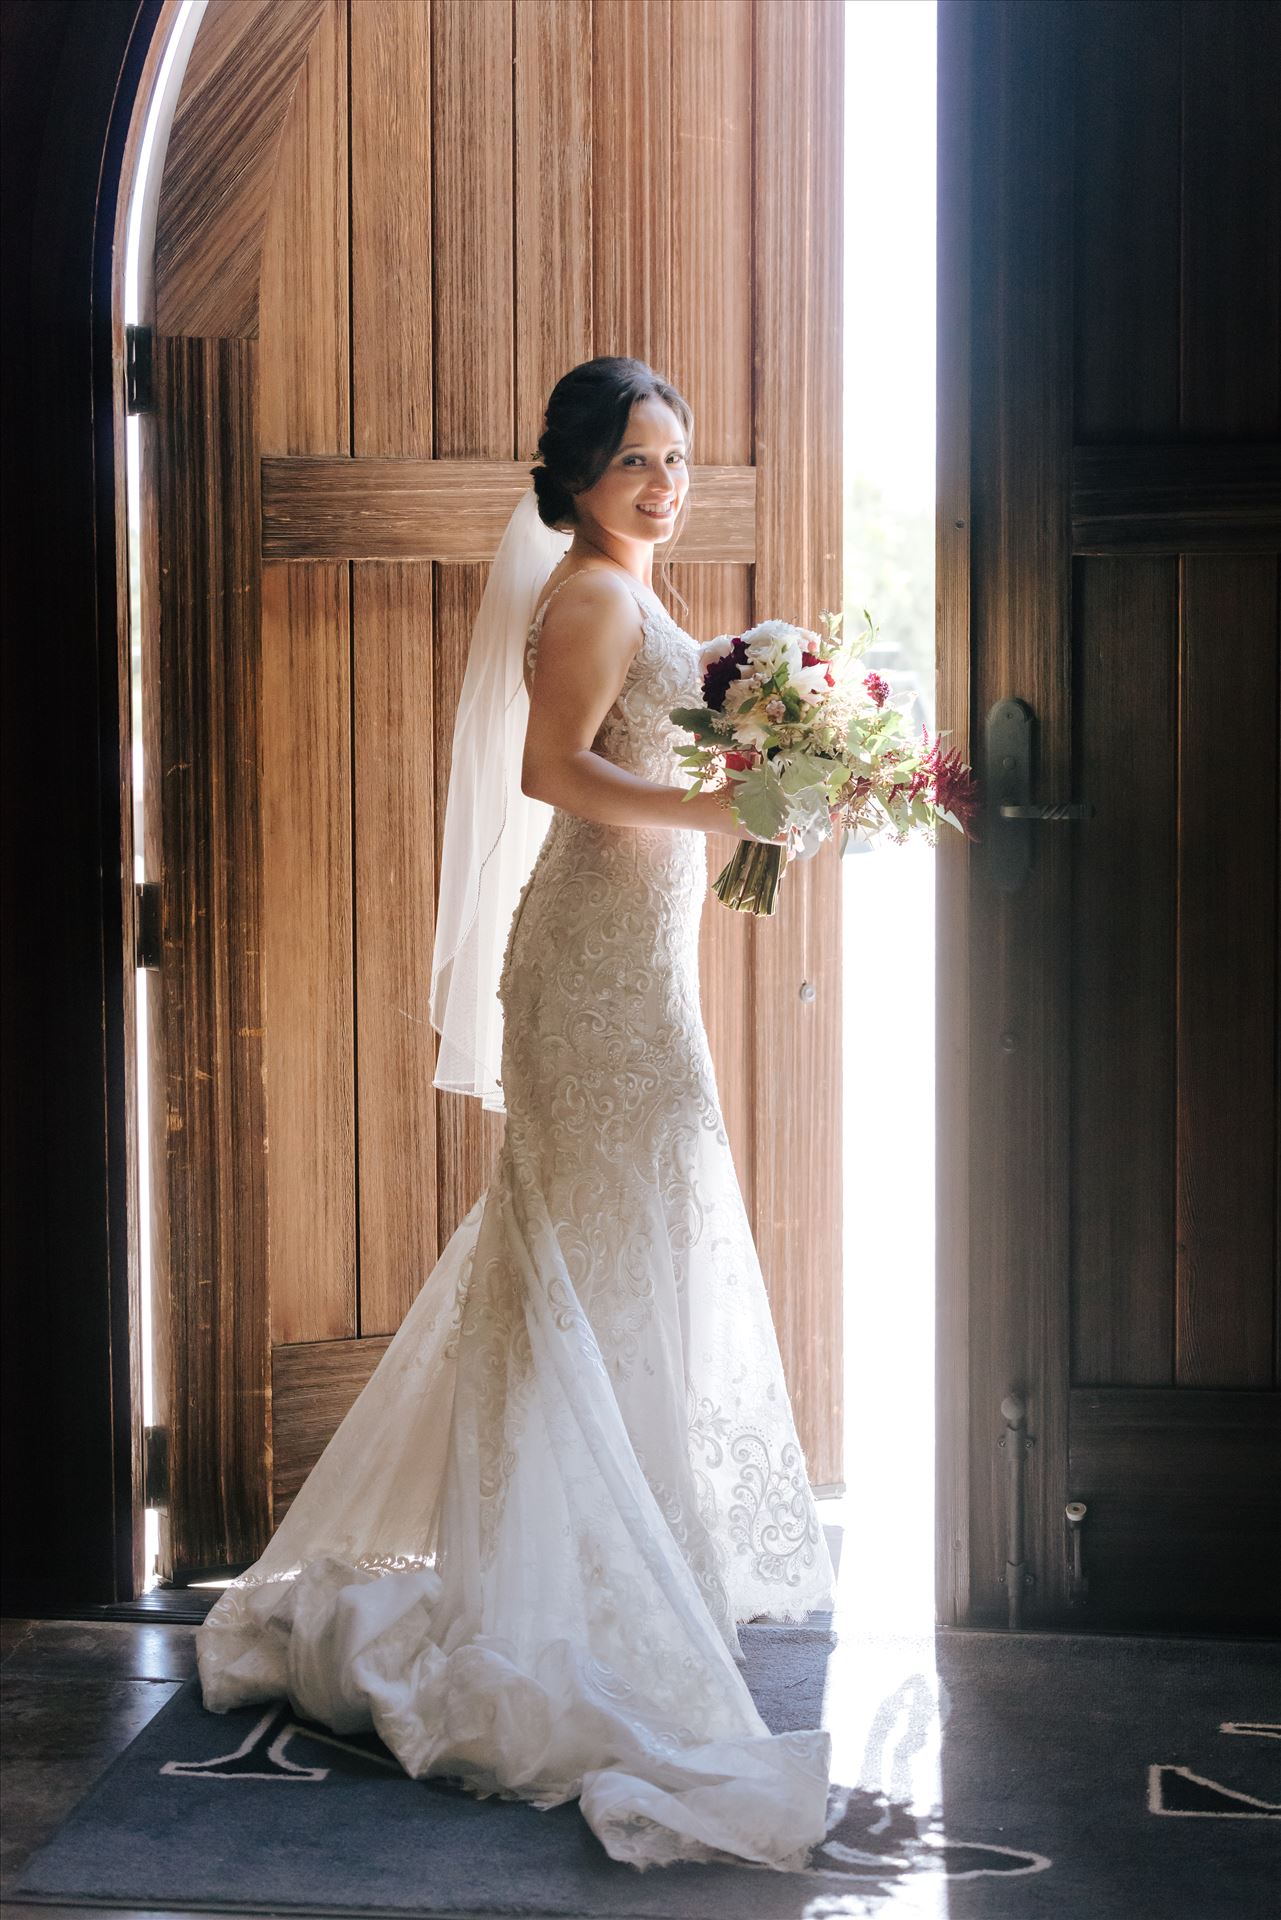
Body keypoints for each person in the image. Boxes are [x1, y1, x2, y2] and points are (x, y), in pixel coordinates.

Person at [195, 356, 837, 1872]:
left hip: (634, 963)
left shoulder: (628, 586)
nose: (662, 484)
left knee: (608, 1244)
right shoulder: (597, 599)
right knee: (600, 1236)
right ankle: (568, 1580)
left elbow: (649, 745)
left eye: (675, 458)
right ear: (574, 474)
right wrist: (723, 811)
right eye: (634, 461)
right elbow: (555, 771)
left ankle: (610, 1552)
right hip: (589, 979)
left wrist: (775, 760)